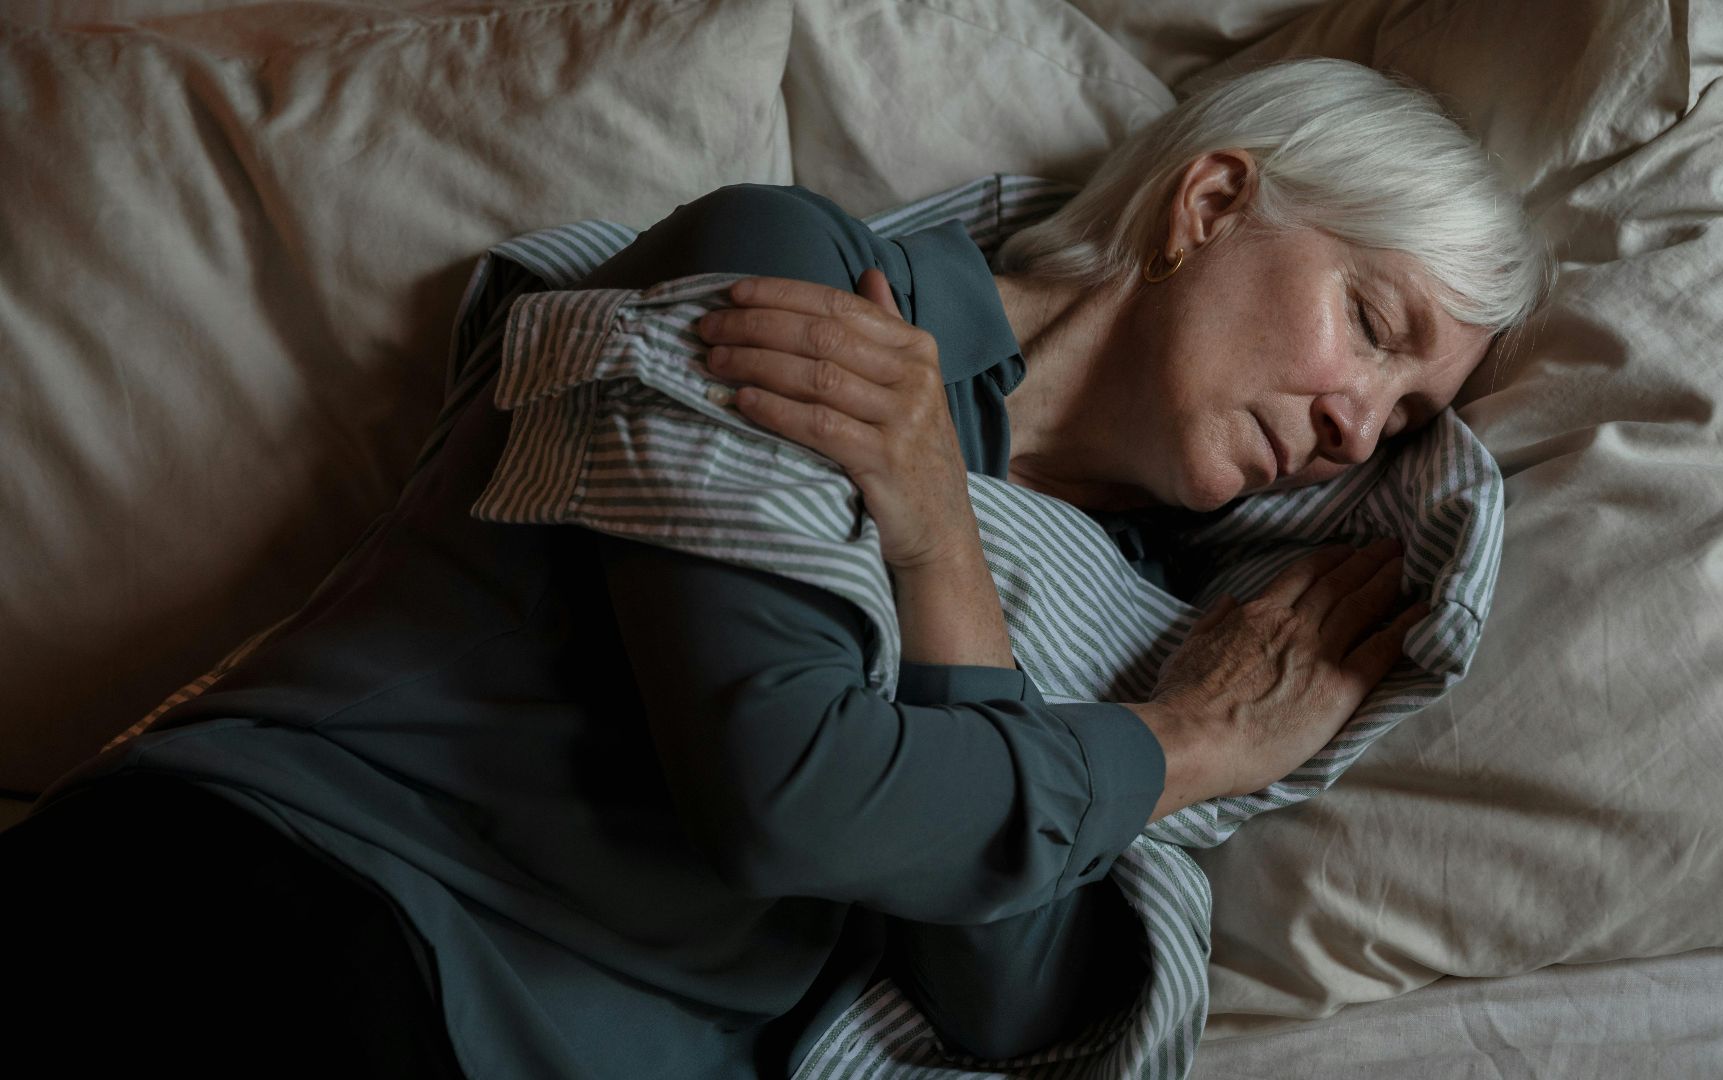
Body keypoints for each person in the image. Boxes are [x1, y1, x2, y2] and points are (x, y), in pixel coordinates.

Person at [0, 57, 1552, 1078]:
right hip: (290, 912)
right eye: (1372, 324)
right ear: (1212, 206)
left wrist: (944, 555)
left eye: (1411, 415)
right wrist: (1180, 752)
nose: (1362, 426)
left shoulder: (1151, 623)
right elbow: (782, 792)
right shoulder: (794, 278)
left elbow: (1005, 1007)